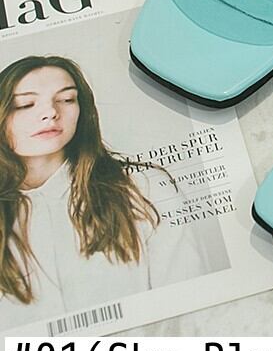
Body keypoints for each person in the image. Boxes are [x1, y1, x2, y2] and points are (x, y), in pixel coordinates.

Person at [0, 55, 208, 328]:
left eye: (66, 99)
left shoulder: (143, 186)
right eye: (25, 104)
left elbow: (191, 306)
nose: (50, 112)